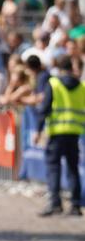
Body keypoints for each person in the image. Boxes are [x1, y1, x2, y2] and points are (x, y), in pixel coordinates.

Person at [32, 56, 85, 217]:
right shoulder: (81, 86)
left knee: (53, 168)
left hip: (56, 133)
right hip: (74, 132)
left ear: (60, 69)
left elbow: (45, 108)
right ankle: (75, 205)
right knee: (73, 168)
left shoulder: (54, 84)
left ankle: (55, 203)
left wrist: (38, 130)